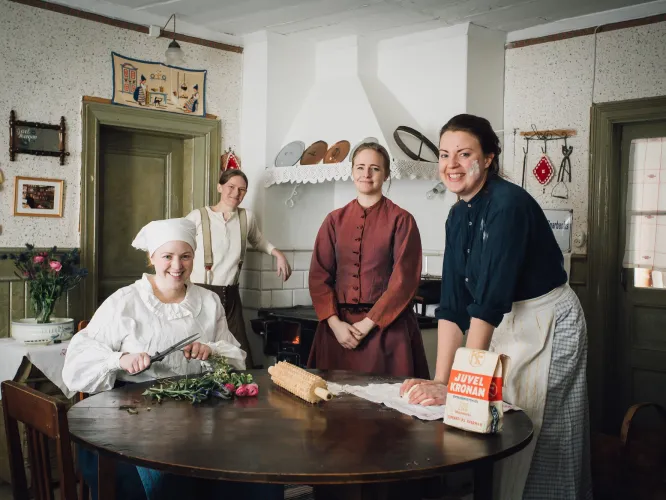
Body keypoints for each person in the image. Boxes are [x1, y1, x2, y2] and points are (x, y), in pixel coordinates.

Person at [400, 114, 592, 500]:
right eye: (444, 154)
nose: (451, 165)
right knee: (498, 419)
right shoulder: (456, 215)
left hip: (548, 320)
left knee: (539, 425)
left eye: (464, 154)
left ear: (488, 158)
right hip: (507, 321)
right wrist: (442, 382)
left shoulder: (509, 204)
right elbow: (454, 304)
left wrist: (461, 386)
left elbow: (487, 305)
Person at [62, 217, 283, 500]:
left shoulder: (208, 301)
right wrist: (119, 360)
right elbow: (78, 359)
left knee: (251, 469)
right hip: (132, 418)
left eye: (185, 256)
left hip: (199, 413)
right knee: (154, 481)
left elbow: (235, 357)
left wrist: (211, 351)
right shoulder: (125, 301)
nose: (177, 266)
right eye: (167, 256)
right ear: (151, 257)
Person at [307, 142, 429, 378]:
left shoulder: (402, 220)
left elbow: (403, 282)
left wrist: (367, 324)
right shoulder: (333, 220)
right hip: (337, 332)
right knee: (333, 409)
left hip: (387, 331)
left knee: (389, 410)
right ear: (352, 172)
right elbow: (318, 276)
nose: (366, 174)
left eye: (374, 168)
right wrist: (335, 325)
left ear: (386, 175)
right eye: (360, 167)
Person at [186, 169, 292, 369]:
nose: (236, 193)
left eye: (242, 190)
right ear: (219, 187)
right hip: (201, 293)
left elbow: (258, 240)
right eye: (231, 187)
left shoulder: (246, 218)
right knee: (202, 349)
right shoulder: (198, 216)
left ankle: (245, 392)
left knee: (240, 352)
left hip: (231, 295)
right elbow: (179, 244)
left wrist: (278, 254)